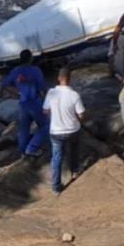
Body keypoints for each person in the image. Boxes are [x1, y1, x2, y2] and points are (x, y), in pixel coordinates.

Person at [43, 67, 85, 195]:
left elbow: (45, 110)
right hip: (72, 130)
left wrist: (53, 114)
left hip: (56, 132)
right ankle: (75, 170)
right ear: (70, 79)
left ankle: (56, 187)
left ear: (58, 78)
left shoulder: (51, 93)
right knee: (74, 150)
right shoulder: (74, 95)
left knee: (57, 158)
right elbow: (82, 114)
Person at [2, 49, 48, 157]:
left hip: (23, 103)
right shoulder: (35, 70)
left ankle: (22, 150)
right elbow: (42, 89)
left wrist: (16, 93)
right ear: (30, 58)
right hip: (35, 103)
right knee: (45, 126)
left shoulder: (15, 71)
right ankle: (32, 148)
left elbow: (5, 85)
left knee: (24, 129)